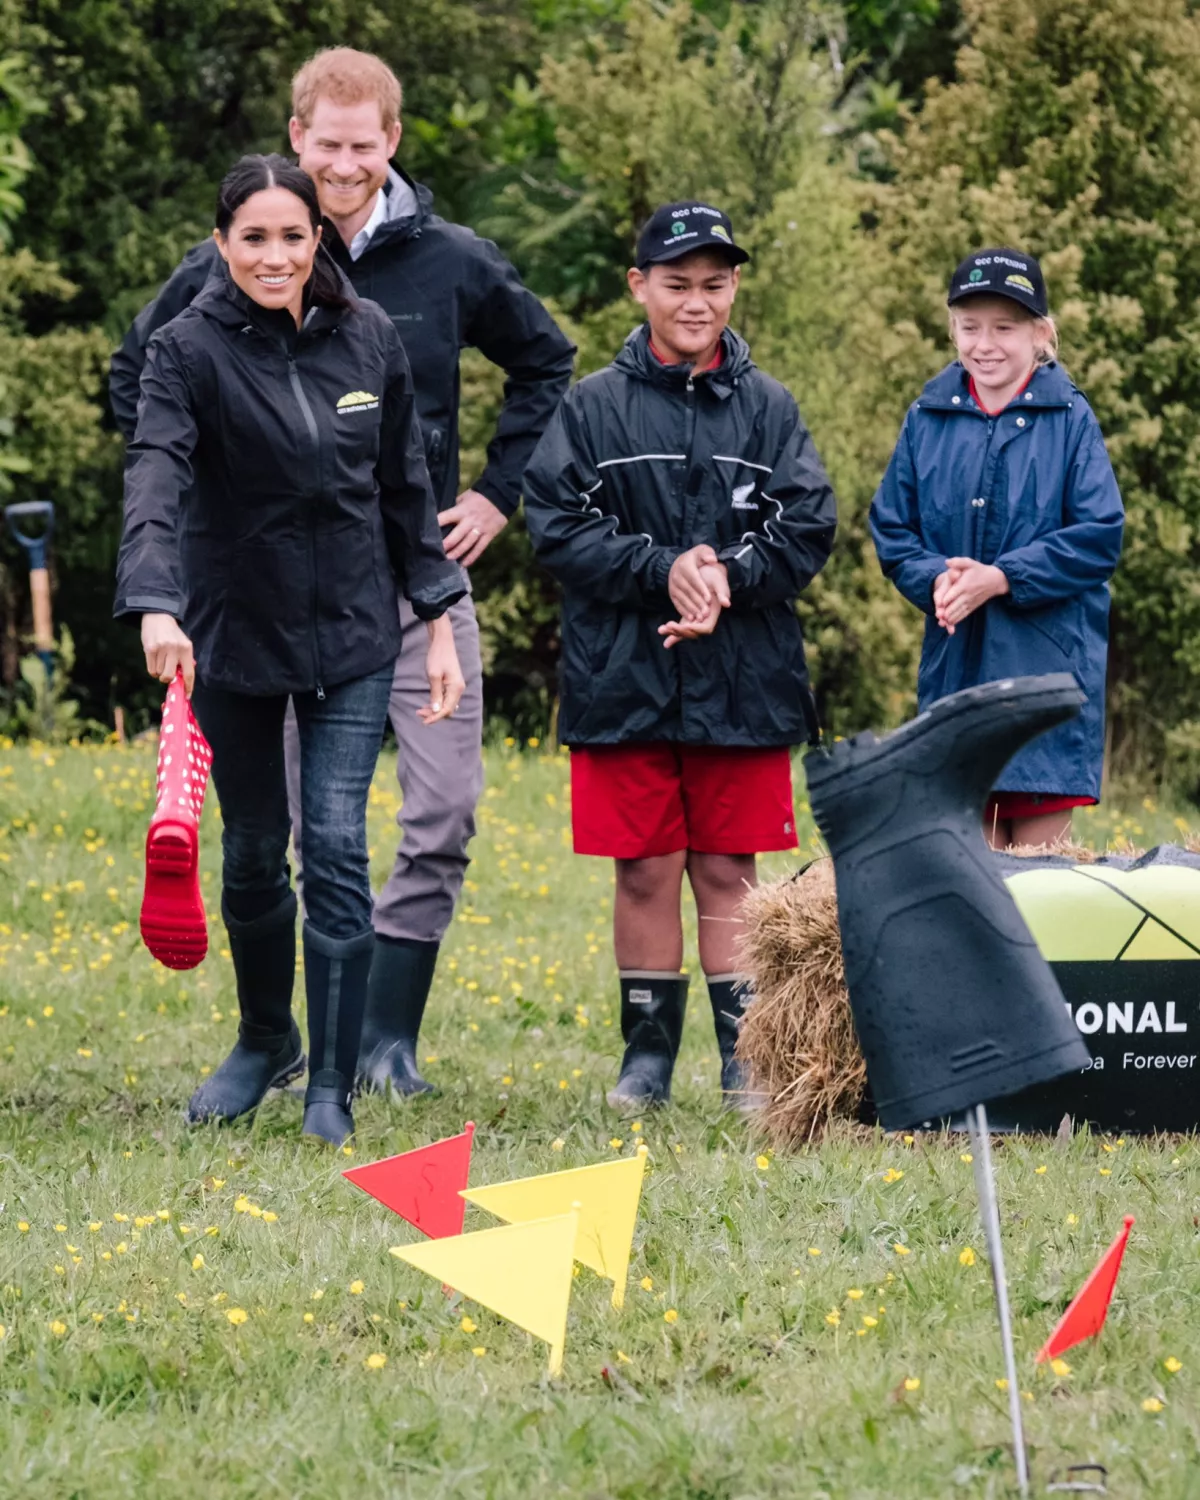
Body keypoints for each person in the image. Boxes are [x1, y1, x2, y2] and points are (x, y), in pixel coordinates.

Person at [110, 48, 576, 1098]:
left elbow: (533, 372)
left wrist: (494, 500)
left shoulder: (437, 272)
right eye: (327, 146)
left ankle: (377, 1047)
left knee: (417, 816)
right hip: (252, 605)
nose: (345, 163)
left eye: (364, 146)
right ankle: (280, 1041)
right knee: (271, 838)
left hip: (395, 595)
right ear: (296, 140)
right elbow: (146, 415)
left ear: (391, 145)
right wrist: (177, 547)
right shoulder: (215, 282)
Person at [114, 154, 466, 1145]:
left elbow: (406, 488)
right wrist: (154, 604)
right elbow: (154, 474)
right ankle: (266, 1039)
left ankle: (332, 1089)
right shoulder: (185, 352)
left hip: (354, 634)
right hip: (231, 633)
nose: (276, 256)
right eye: (254, 238)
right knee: (255, 850)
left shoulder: (370, 342)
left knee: (338, 842)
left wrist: (436, 620)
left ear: (322, 239)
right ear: (223, 243)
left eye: (294, 236)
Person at [523, 201, 837, 1112]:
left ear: (734, 286)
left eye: (714, 284)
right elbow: (556, 527)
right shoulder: (590, 409)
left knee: (730, 871)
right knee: (646, 868)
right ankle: (646, 1061)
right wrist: (666, 571)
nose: (696, 302)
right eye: (677, 284)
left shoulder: (770, 407)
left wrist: (724, 579)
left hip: (745, 678)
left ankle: (746, 1063)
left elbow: (808, 526)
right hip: (621, 675)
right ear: (639, 287)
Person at [869, 248, 1124, 849]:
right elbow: (892, 529)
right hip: (956, 677)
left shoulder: (1072, 419)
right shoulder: (925, 418)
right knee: (974, 886)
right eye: (970, 326)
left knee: (1042, 886)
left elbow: (1098, 536)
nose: (985, 343)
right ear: (952, 327)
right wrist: (935, 579)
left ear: (1040, 334)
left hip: (1046, 679)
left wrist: (1002, 577)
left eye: (1004, 327)